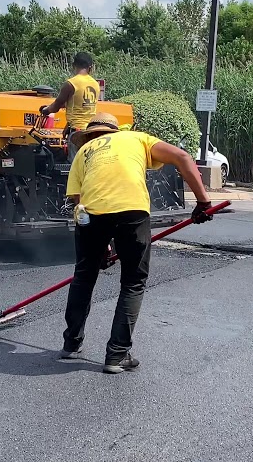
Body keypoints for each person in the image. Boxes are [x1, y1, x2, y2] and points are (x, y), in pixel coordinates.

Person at [60, 112, 214, 374]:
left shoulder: (84, 151)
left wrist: (102, 243)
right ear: (115, 130)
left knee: (84, 276)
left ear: (91, 134)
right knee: (132, 281)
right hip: (131, 211)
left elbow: (78, 200)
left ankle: (71, 344)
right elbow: (183, 157)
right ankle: (117, 354)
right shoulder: (136, 139)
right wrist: (203, 201)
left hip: (92, 215)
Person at [39, 51, 101, 159]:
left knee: (75, 166)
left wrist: (46, 110)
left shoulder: (71, 83)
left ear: (74, 65)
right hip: (92, 131)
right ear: (90, 67)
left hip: (77, 132)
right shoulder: (95, 84)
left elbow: (56, 107)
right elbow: (79, 103)